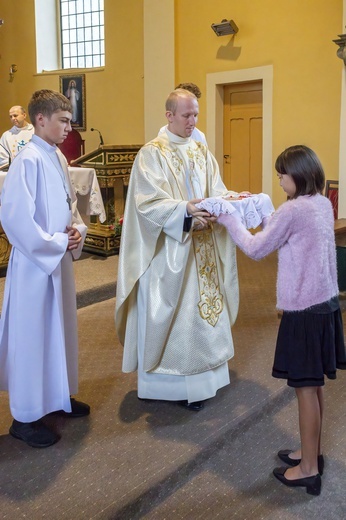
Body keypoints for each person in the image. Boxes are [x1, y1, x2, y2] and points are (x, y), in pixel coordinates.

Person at [217, 145, 346, 495]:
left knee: (305, 389)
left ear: (298, 175)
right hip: (325, 306)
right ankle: (311, 453)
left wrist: (228, 216)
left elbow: (258, 248)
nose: (278, 179)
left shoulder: (293, 211)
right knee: (315, 385)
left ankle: (307, 469)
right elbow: (284, 229)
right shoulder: (320, 203)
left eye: (281, 174)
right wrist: (261, 208)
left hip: (303, 311)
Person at [116, 88, 247, 411]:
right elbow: (146, 204)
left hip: (201, 246)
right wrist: (185, 211)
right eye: (186, 115)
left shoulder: (201, 151)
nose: (193, 121)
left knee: (201, 315)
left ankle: (204, 381)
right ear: (169, 115)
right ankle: (169, 387)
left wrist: (231, 200)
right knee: (178, 318)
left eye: (196, 115)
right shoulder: (152, 154)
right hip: (168, 253)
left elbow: (214, 190)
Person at [0, 89, 90, 448]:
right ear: (41, 120)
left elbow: (69, 207)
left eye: (69, 121)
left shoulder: (56, 157)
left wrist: (76, 230)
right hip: (36, 267)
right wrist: (54, 243)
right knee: (34, 338)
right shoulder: (27, 160)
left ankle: (58, 397)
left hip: (58, 261)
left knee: (61, 330)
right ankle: (24, 418)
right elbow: (15, 218)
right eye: (63, 121)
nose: (69, 128)